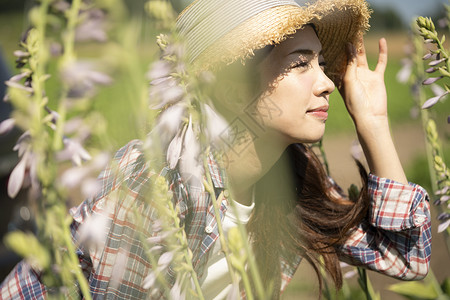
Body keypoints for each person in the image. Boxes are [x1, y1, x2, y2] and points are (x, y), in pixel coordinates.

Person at [1, 0, 431, 299]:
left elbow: (407, 258)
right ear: (230, 83)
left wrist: (373, 124)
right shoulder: (156, 183)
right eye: (301, 63)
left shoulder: (294, 175)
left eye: (320, 62)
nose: (325, 83)